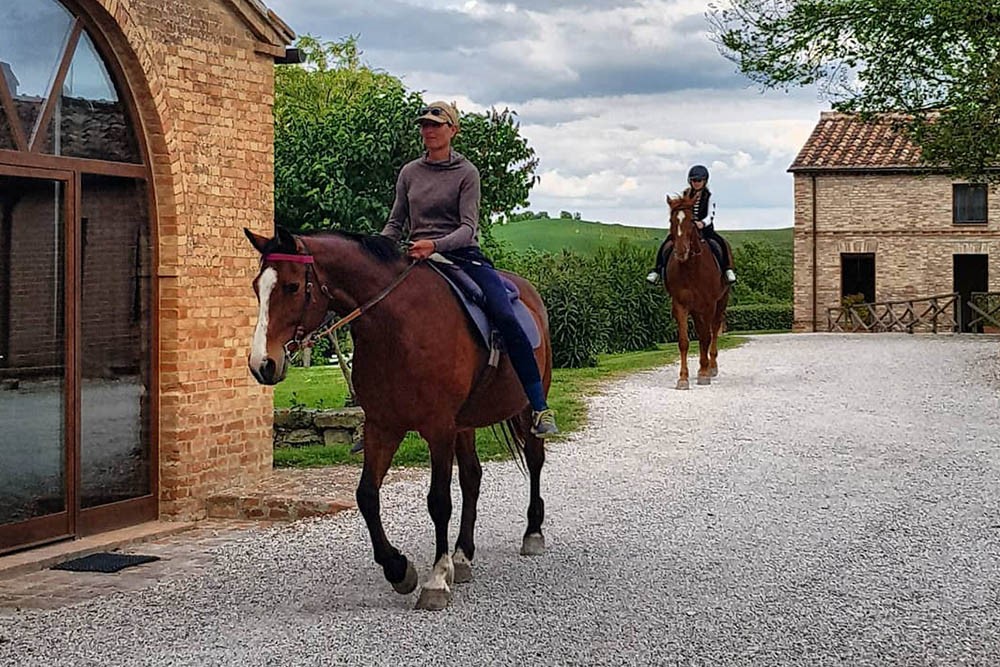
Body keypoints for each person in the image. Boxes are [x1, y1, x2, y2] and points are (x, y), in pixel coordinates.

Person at [380, 100, 559, 438]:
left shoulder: (467, 173)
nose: (429, 130)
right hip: (416, 257)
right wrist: (376, 250)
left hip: (462, 256)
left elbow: (467, 228)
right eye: (425, 125)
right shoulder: (409, 172)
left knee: (505, 315)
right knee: (377, 315)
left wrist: (435, 245)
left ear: (453, 130)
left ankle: (537, 405)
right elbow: (395, 222)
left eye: (436, 124)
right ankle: (377, 412)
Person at [645, 164, 737, 285]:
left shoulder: (709, 196)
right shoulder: (686, 193)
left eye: (699, 180)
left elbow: (711, 214)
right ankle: (657, 270)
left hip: (704, 229)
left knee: (719, 243)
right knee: (667, 244)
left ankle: (727, 269)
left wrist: (702, 223)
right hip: (687, 227)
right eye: (693, 180)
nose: (696, 183)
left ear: (704, 181)